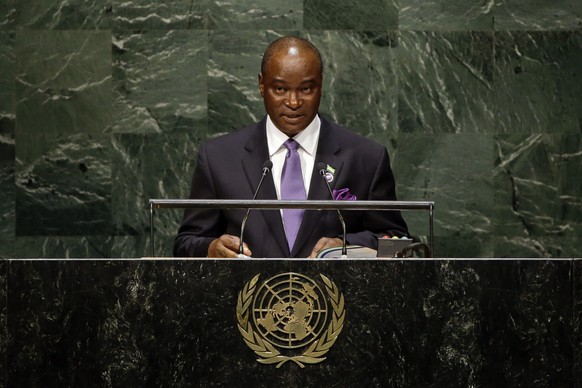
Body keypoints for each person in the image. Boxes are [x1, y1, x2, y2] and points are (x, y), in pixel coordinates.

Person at [173, 36, 408, 258]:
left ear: (321, 86)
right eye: (281, 89)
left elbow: (397, 242)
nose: (293, 102)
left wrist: (347, 246)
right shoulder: (219, 158)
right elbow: (186, 243)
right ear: (262, 85)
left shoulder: (366, 157)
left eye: (306, 89)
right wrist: (212, 248)